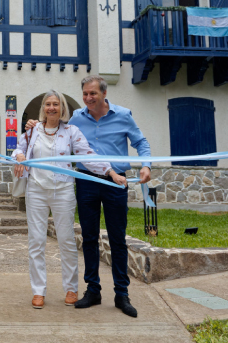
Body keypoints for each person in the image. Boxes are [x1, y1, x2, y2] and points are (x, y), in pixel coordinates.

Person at [27, 76, 150, 317]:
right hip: (86, 182)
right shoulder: (75, 119)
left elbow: (141, 142)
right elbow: (51, 129)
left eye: (92, 93)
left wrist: (145, 165)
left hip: (116, 181)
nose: (88, 98)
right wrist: (34, 124)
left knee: (117, 239)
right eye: (85, 94)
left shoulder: (124, 115)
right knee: (89, 238)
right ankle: (93, 290)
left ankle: (122, 294)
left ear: (104, 93)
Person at [12, 90, 123, 309]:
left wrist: (110, 172)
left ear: (62, 108)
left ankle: (71, 288)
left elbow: (87, 156)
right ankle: (38, 291)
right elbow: (18, 149)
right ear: (43, 108)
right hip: (36, 190)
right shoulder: (32, 131)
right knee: (36, 242)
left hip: (62, 190)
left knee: (67, 241)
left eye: (56, 104)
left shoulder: (72, 131)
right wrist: (20, 157)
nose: (51, 108)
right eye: (48, 104)